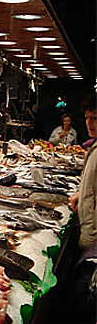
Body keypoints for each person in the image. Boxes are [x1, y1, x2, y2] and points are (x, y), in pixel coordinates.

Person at [69, 98, 97, 249]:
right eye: (87, 118)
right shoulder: (94, 147)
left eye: (95, 118)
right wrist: (82, 193)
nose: (89, 123)